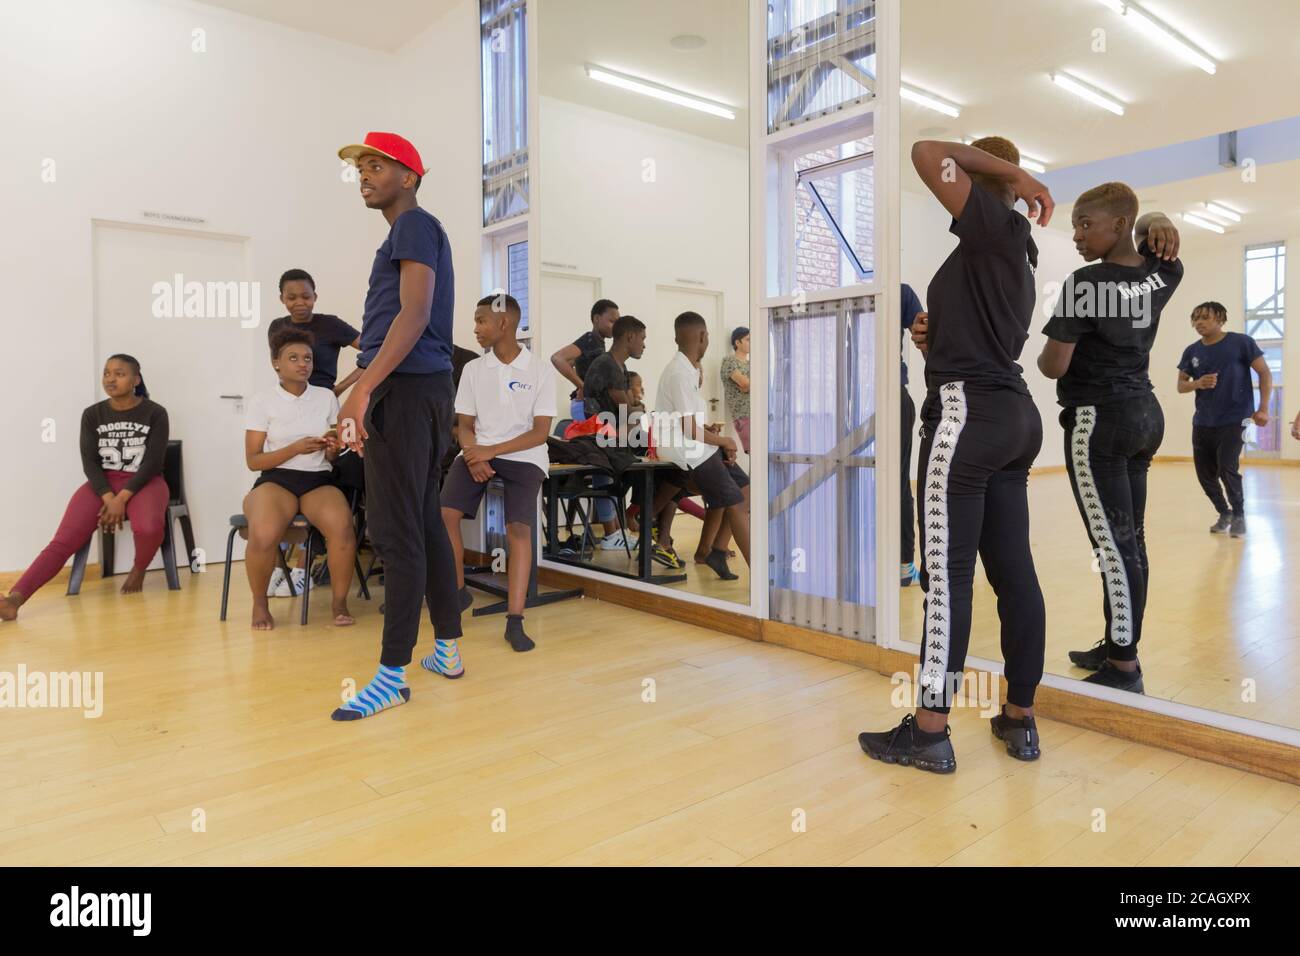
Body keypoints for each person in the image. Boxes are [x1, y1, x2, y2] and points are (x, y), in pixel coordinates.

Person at [859, 137, 1053, 773]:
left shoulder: (995, 223)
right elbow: (970, 340)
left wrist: (1012, 173)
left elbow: (923, 150)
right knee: (1013, 573)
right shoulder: (1005, 249)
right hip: (1011, 418)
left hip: (968, 418)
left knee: (945, 583)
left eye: (962, 174)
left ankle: (930, 731)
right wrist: (930, 337)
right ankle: (1019, 720)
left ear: (974, 177)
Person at [332, 131, 464, 721]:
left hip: (406, 392)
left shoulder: (413, 224)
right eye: (360, 166)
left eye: (375, 164)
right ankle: (448, 650)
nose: (363, 173)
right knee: (424, 522)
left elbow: (413, 314)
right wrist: (353, 387)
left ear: (408, 175)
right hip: (413, 388)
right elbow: (394, 326)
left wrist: (364, 389)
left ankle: (391, 676)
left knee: (394, 532)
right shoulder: (408, 230)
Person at [1037, 182, 1183, 694]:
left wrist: (1045, 350)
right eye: (1076, 224)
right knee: (1129, 540)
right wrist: (1156, 217)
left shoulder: (1086, 282)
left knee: (1113, 547)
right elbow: (1157, 238)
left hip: (1098, 422)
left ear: (1119, 225)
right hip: (1145, 416)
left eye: (1086, 224)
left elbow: (1054, 365)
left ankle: (1123, 665)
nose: (1077, 235)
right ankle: (1118, 640)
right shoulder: (1162, 274)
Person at [1, 356, 169, 622]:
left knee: (148, 527)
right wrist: (108, 496)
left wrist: (122, 498)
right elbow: (89, 461)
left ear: (136, 380)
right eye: (106, 373)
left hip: (145, 482)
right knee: (63, 540)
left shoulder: (155, 412)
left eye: (119, 373)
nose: (111, 379)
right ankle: (15, 599)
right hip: (102, 483)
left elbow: (153, 462)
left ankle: (139, 569)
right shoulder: (93, 414)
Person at [441, 294, 555, 654]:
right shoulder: (474, 370)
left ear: (503, 323)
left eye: (481, 321)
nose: (475, 328)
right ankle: (458, 593)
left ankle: (515, 619)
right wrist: (475, 456)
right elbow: (465, 426)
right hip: (478, 451)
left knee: (518, 528)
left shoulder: (540, 371)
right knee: (444, 514)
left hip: (525, 456)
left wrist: (492, 451)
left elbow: (539, 433)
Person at [242, 328, 357, 631]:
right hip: (275, 480)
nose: (302, 363)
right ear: (276, 363)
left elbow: (333, 457)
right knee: (264, 533)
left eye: (307, 358)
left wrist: (333, 449)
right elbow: (253, 460)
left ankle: (339, 602)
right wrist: (293, 449)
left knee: (343, 527)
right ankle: (260, 603)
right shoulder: (262, 401)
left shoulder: (325, 397)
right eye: (293, 358)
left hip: (318, 478)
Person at [265, 269, 364, 598]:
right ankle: (280, 565)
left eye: (305, 296)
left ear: (315, 296)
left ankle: (302, 567)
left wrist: (338, 389)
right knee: (282, 479)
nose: (299, 303)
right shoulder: (278, 328)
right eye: (291, 297)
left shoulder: (330, 324)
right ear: (282, 299)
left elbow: (371, 353)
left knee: (324, 482)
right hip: (290, 409)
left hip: (323, 410)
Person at [654, 311, 751, 581]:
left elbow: (687, 422)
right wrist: (724, 440)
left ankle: (715, 551)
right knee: (734, 498)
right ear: (702, 336)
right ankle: (762, 575)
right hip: (682, 446)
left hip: (692, 442)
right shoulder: (679, 373)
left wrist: (711, 434)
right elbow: (686, 429)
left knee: (746, 489)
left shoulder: (688, 369)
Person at [1177, 302, 1271, 538]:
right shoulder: (1191, 351)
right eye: (1195, 318)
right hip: (1203, 421)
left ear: (1221, 319)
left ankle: (1239, 515)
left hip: (1236, 418)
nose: (1199, 322)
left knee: (1227, 467)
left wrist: (1263, 408)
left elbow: (1264, 372)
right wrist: (1197, 383)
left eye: (1206, 317)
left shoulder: (1241, 343)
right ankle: (1224, 512)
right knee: (1204, 474)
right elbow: (1181, 386)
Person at [551, 299, 619, 421]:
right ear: (597, 319)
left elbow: (572, 362)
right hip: (587, 406)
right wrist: (583, 387)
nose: (615, 327)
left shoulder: (598, 343)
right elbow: (558, 358)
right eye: (612, 321)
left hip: (586, 405)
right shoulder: (590, 339)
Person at [899, 284, 924, 587]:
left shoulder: (900, 293)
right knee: (897, 482)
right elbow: (924, 335)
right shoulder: (900, 291)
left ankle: (903, 564)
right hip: (883, 397)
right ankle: (902, 565)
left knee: (894, 482)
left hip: (854, 399)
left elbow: (923, 332)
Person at [720, 327, 751, 455]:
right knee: (754, 454)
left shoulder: (752, 364)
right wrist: (747, 385)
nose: (752, 343)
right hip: (744, 415)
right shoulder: (729, 361)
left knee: (762, 456)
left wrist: (748, 386)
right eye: (748, 339)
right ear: (737, 343)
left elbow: (761, 384)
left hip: (758, 414)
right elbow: (744, 382)